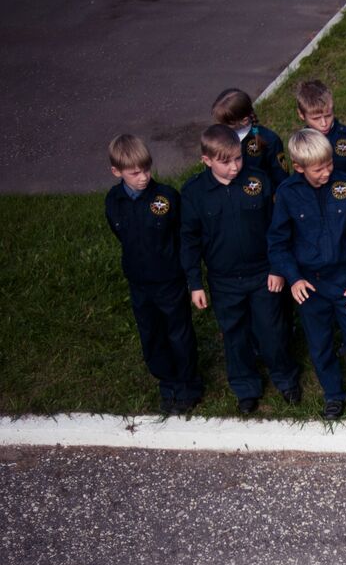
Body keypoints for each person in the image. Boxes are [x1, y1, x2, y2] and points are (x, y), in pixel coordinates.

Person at [179, 125, 300, 414]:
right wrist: (195, 283)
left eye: (238, 158)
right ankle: (246, 387)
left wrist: (277, 267)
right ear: (206, 160)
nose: (234, 167)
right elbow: (189, 240)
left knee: (273, 331)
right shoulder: (194, 193)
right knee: (235, 335)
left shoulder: (258, 180)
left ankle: (285, 379)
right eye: (225, 162)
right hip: (224, 280)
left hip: (263, 274)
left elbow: (278, 227)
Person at [267, 129, 346, 420]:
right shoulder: (287, 194)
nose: (327, 172)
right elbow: (278, 243)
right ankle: (333, 395)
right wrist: (293, 278)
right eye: (319, 169)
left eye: (330, 164)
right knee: (319, 345)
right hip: (310, 285)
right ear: (299, 167)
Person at [103, 134, 202, 414]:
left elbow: (181, 236)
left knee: (178, 334)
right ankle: (167, 382)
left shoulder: (166, 197)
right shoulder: (114, 201)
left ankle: (188, 386)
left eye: (146, 169)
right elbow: (119, 232)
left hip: (169, 281)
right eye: (135, 173)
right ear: (117, 172)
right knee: (152, 334)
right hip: (139, 282)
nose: (144, 177)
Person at [212, 87, 287, 187]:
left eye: (225, 124)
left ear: (244, 120)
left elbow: (281, 179)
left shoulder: (270, 140)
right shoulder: (219, 138)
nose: (219, 127)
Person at [295, 79, 346, 176]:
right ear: (301, 114)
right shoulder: (299, 143)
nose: (324, 123)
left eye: (328, 116)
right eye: (316, 118)